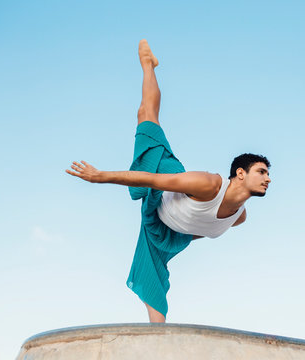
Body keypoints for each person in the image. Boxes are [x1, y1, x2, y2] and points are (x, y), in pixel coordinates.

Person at [66, 39, 271, 323]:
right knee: (146, 116)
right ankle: (149, 65)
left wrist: (180, 232)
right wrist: (99, 176)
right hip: (164, 182)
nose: (268, 178)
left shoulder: (239, 217)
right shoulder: (208, 185)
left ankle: (158, 340)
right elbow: (152, 178)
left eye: (268, 174)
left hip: (170, 232)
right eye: (261, 171)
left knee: (151, 270)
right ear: (240, 173)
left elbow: (201, 229)